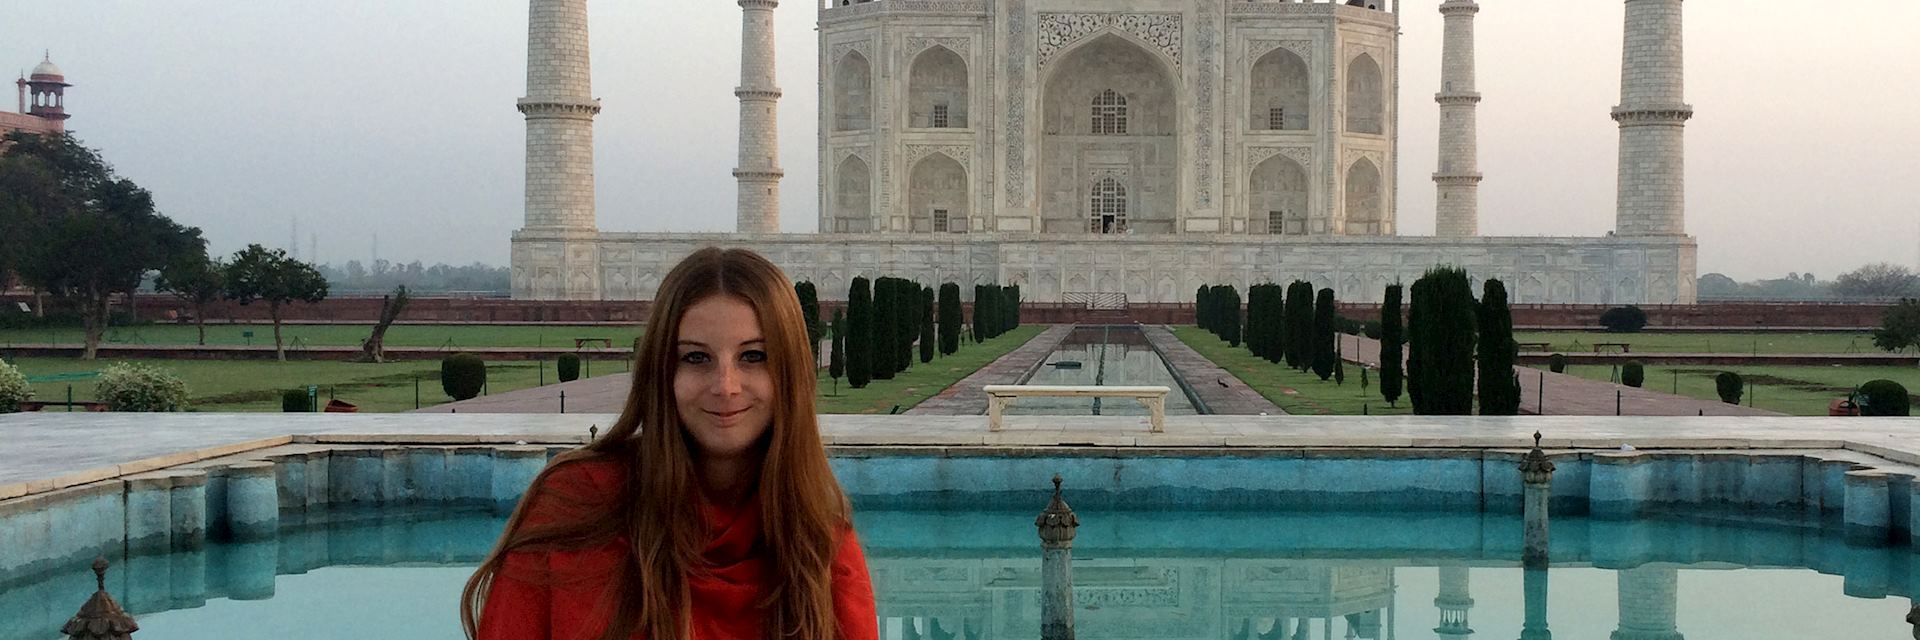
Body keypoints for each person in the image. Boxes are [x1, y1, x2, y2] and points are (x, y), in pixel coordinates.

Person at [461, 247, 878, 640]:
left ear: (790, 372)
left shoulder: (818, 549)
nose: (725, 386)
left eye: (754, 356)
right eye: (696, 358)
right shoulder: (578, 507)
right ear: (662, 370)